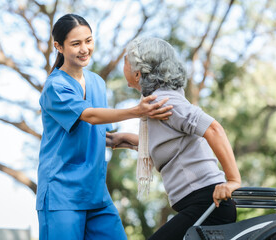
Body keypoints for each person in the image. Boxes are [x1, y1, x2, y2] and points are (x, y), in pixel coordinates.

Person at [36, 14, 172, 240]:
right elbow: (89, 116)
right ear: (58, 46)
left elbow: (102, 135)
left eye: (88, 41)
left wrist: (143, 142)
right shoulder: (55, 86)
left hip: (96, 192)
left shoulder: (97, 82)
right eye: (75, 44)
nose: (84, 49)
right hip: (62, 193)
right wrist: (136, 111)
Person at [107, 37, 242, 240]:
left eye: (126, 60)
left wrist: (233, 181)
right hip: (200, 204)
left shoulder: (165, 101)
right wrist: (122, 139)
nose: (122, 64)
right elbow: (168, 143)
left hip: (208, 204)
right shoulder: (155, 103)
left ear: (138, 72)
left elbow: (214, 129)